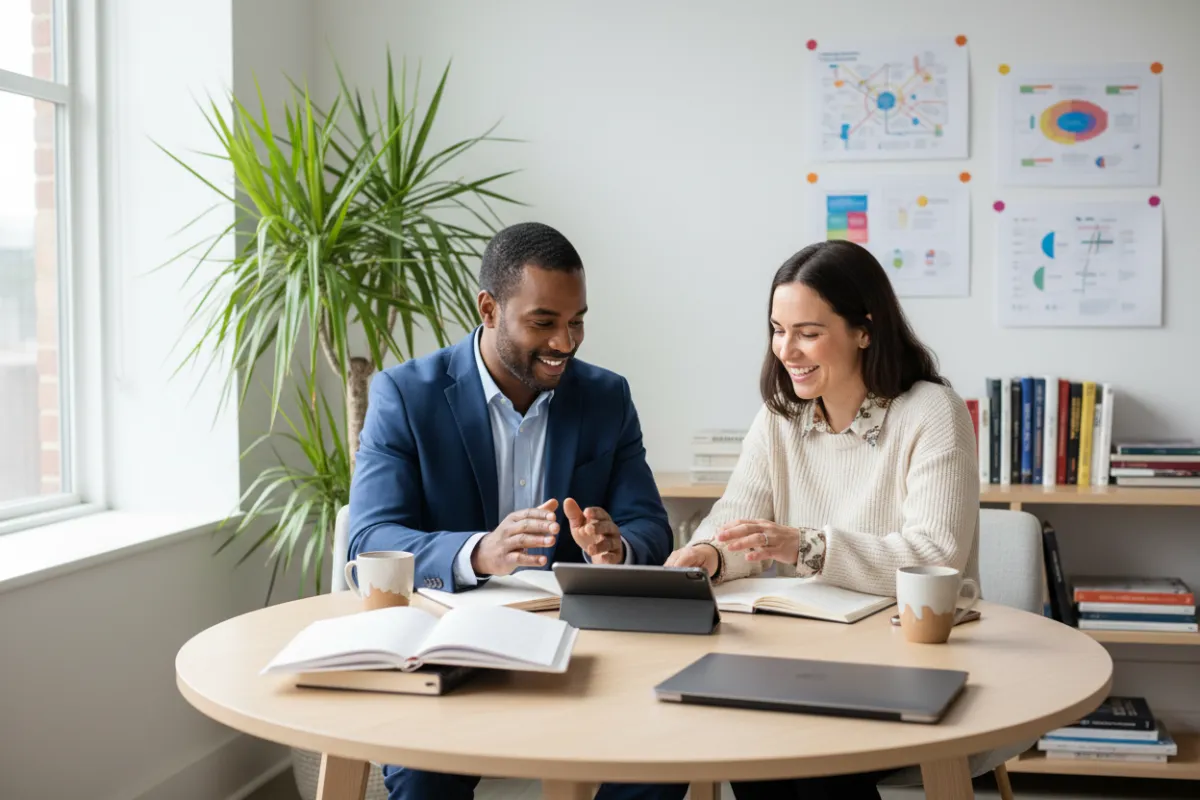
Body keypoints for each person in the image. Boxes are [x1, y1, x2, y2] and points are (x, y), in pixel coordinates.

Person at [347, 221, 674, 800]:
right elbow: (369, 536)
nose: (566, 343)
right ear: (489, 308)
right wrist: (479, 551)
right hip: (451, 644)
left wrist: (616, 545)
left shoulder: (606, 397)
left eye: (577, 322)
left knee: (657, 761)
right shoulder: (405, 394)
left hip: (584, 648)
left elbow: (651, 525)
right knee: (423, 776)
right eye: (544, 323)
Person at [663, 239, 980, 800]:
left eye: (808, 332)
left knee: (789, 757)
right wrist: (711, 553)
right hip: (803, 653)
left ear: (865, 330)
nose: (787, 350)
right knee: (747, 739)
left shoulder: (931, 411)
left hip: (906, 655)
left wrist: (803, 546)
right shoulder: (779, 417)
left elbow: (934, 556)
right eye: (777, 329)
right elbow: (740, 520)